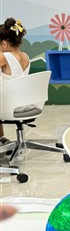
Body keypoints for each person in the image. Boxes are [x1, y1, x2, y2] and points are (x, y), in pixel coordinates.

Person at [0, 18, 30, 146]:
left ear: (4, 44)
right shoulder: (25, 57)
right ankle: (2, 138)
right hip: (24, 103)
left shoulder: (4, 57)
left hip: (10, 105)